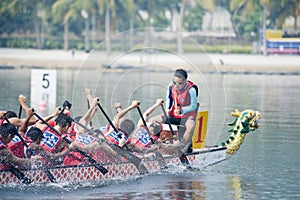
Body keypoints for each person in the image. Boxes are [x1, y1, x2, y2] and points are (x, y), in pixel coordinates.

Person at [149, 69, 199, 153]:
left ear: (185, 81)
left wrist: (182, 110)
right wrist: (167, 108)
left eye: (180, 83)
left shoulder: (191, 90)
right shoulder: (170, 86)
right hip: (173, 114)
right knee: (152, 121)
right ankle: (152, 145)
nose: (176, 85)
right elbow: (169, 98)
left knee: (190, 127)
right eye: (174, 82)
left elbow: (193, 106)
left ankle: (181, 148)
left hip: (187, 116)